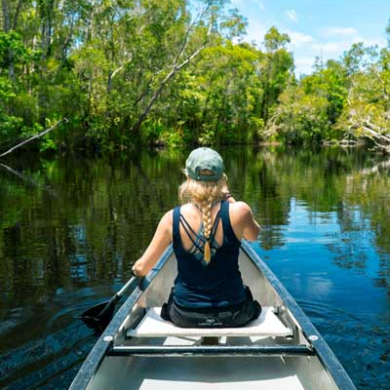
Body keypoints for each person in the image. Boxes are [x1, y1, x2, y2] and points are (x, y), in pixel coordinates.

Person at [131, 147, 261, 328]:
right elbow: (254, 235)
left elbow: (142, 267)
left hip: (184, 315)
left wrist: (136, 271)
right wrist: (228, 196)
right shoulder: (240, 211)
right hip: (234, 314)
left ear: (188, 178)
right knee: (252, 303)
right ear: (222, 179)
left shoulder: (171, 218)